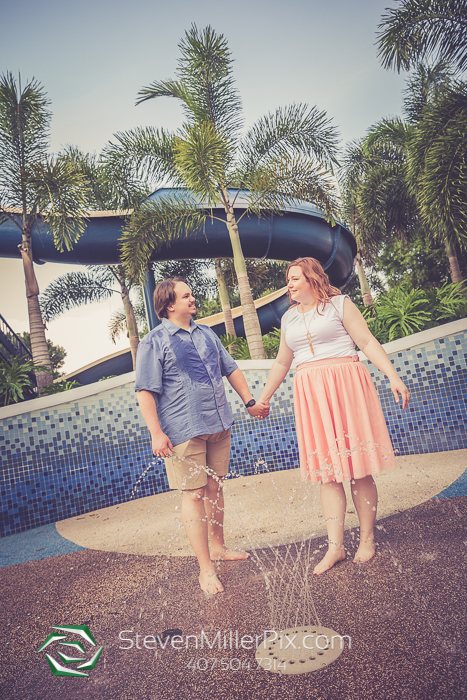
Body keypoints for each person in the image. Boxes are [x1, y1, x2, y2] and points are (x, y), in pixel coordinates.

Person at [257, 258, 410, 575]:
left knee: (358, 468)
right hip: (312, 395)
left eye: (295, 278)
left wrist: (393, 376)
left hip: (346, 387)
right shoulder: (288, 320)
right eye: (288, 279)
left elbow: (366, 341)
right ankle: (335, 547)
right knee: (327, 473)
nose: (290, 283)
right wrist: (264, 398)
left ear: (312, 278)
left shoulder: (340, 304)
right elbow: (281, 364)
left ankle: (367, 538)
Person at [135, 277, 269, 594]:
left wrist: (249, 401)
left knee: (214, 487)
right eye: (186, 296)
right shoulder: (153, 342)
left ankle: (219, 547)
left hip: (219, 423)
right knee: (193, 494)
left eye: (191, 295)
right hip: (183, 430)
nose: (193, 299)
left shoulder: (206, 333)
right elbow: (145, 391)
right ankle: (205, 569)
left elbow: (231, 368)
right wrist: (156, 433)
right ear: (169, 305)